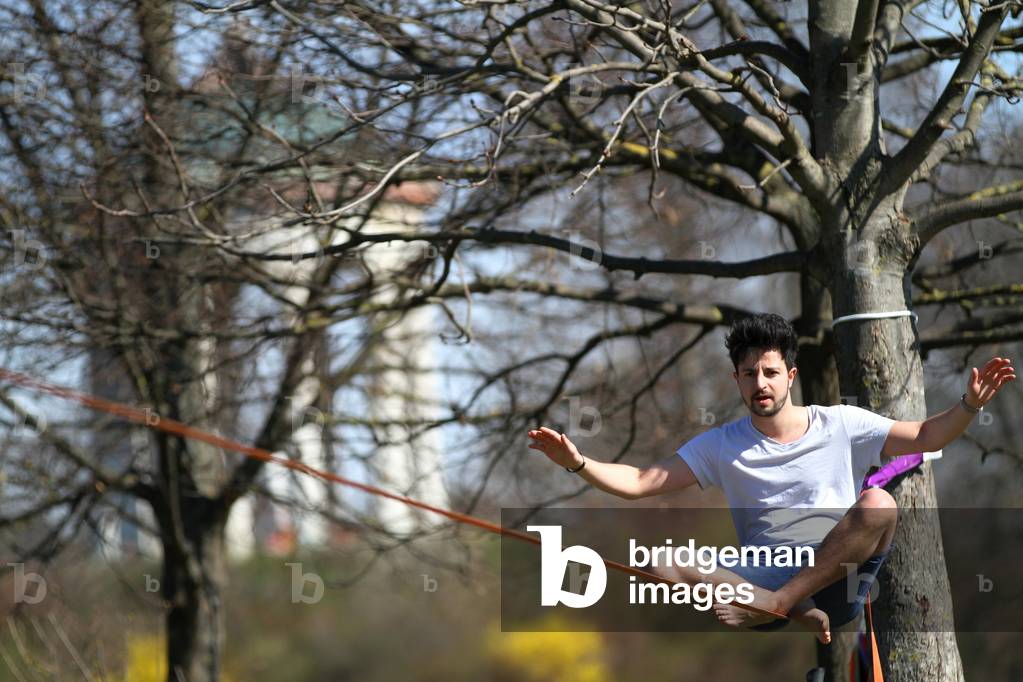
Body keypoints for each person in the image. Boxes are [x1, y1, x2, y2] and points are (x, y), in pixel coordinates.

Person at [527, 313, 1015, 642]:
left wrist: (969, 405)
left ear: (790, 375)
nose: (759, 383)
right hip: (758, 576)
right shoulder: (722, 445)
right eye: (748, 374)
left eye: (769, 371)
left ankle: (783, 603)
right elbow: (638, 481)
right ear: (736, 380)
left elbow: (928, 436)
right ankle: (788, 606)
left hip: (834, 578)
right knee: (660, 564)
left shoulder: (841, 424)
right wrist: (578, 462)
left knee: (880, 505)